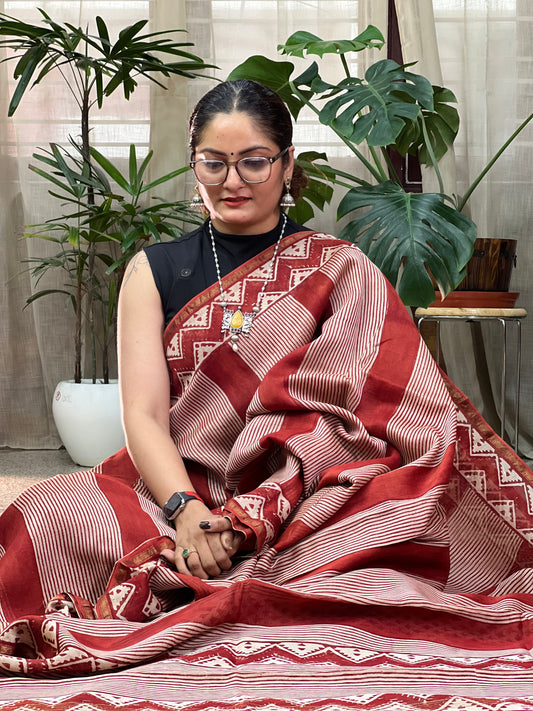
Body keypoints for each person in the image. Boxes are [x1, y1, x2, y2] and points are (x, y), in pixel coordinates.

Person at [1, 80, 533, 680]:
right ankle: (216, 556)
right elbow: (145, 416)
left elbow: (383, 408)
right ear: (193, 164)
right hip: (179, 480)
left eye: (254, 161)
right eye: (214, 162)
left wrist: (266, 498)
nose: (234, 181)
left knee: (396, 520)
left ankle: (263, 558)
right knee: (44, 516)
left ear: (287, 166)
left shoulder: (339, 266)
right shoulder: (153, 270)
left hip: (309, 492)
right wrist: (185, 510)